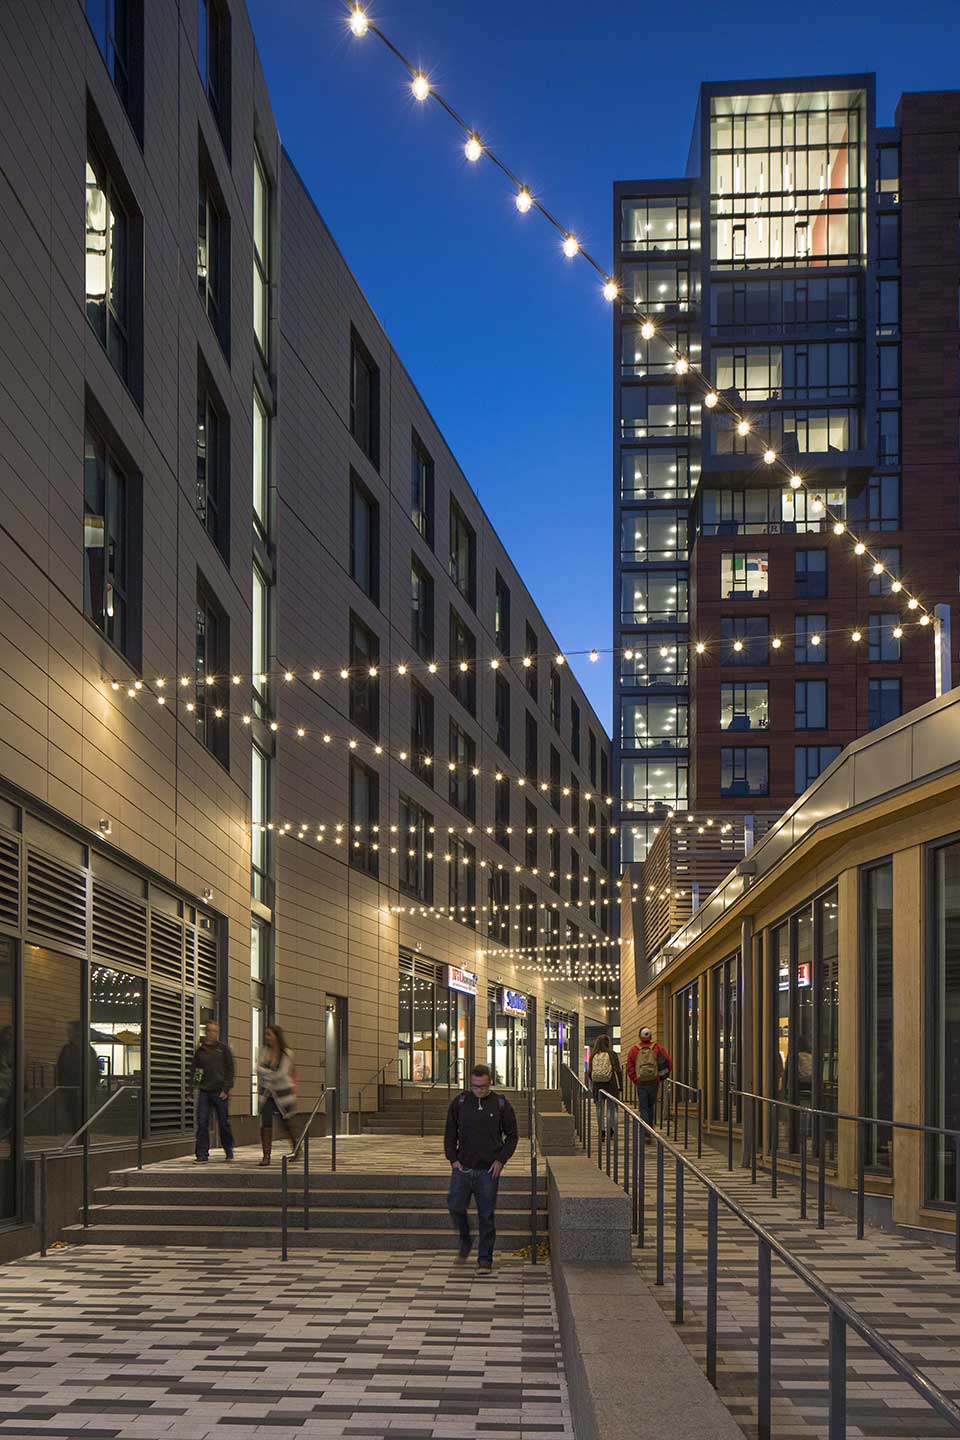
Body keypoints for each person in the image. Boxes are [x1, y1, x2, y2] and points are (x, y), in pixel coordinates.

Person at [444, 1063, 518, 1273]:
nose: (480, 1090)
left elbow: (512, 1135)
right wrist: (453, 1159)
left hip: (488, 1170)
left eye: (483, 1086)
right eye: (476, 1086)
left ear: (490, 1083)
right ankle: (466, 1241)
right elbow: (450, 1132)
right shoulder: (460, 1102)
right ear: (470, 1084)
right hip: (463, 1168)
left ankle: (485, 1258)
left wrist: (501, 1160)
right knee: (455, 1206)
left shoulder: (501, 1104)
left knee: (486, 1215)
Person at [192, 1020, 235, 1163]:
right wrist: (191, 1089)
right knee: (202, 1122)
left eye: (215, 1031)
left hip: (220, 1091)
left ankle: (228, 1148)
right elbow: (196, 1071)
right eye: (210, 1031)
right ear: (206, 1032)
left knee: (223, 1123)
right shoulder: (200, 1051)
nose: (212, 1034)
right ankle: (202, 1153)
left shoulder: (223, 1050)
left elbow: (230, 1071)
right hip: (205, 1090)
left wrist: (226, 1089)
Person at [257, 1025, 297, 1166]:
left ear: (276, 1036)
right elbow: (258, 1068)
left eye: (269, 1034)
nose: (267, 1037)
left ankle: (296, 1149)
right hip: (267, 1094)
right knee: (266, 1122)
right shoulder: (264, 1051)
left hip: (283, 1094)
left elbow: (282, 1074)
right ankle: (266, 1155)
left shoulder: (286, 1053)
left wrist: (267, 1074)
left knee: (286, 1123)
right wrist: (270, 1074)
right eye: (266, 1034)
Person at [626, 1026, 671, 1134]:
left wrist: (635, 1079)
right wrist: (659, 1078)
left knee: (643, 1106)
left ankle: (645, 1130)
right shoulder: (658, 1048)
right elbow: (668, 1063)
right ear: (650, 1036)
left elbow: (629, 1067)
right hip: (654, 1082)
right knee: (651, 1105)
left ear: (639, 1036)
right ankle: (650, 1128)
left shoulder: (634, 1050)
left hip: (641, 1082)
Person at [588, 1034, 622, 1141]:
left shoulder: (593, 1055)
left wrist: (593, 1081)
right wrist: (621, 1085)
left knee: (599, 1109)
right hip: (611, 1084)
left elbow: (589, 1072)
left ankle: (602, 1131)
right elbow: (618, 1071)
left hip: (597, 1085)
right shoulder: (612, 1054)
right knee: (611, 1108)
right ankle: (611, 1129)